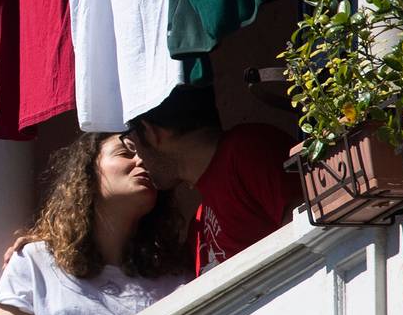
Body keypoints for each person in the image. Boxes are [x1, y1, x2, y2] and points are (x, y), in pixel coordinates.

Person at [0, 132, 188, 315]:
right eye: (126, 152)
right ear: (88, 171)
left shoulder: (176, 277)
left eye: (146, 154)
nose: (141, 161)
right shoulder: (33, 261)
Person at [122, 86, 303, 276]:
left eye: (132, 143)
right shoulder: (199, 223)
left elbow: (305, 229)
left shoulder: (247, 150)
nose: (138, 160)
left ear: (151, 132)